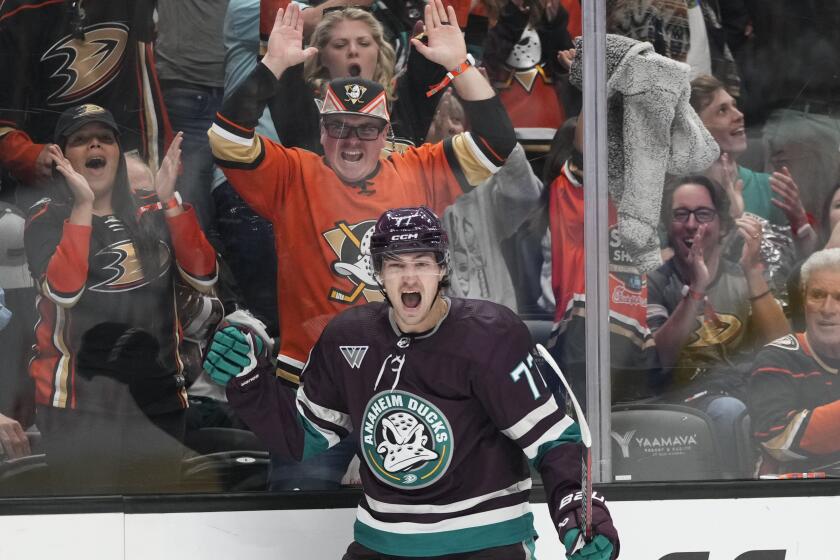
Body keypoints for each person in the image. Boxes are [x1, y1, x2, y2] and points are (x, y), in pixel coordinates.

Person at [207, 205, 620, 560]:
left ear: (442, 269)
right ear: (377, 273)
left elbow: (552, 439)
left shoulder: (492, 336)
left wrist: (575, 507)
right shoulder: (348, 337)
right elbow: (306, 438)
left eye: (421, 263)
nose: (409, 279)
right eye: (396, 265)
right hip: (384, 545)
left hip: (485, 545)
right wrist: (249, 382)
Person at [24, 104, 217, 493]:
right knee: (88, 532)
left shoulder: (152, 211)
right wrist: (82, 206)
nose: (95, 144)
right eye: (80, 139)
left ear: (117, 154)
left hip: (158, 399)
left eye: (106, 138)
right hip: (78, 408)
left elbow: (203, 275)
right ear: (62, 157)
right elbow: (65, 290)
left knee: (155, 529)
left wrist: (171, 202)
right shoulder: (45, 217)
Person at [647, 175, 790, 476]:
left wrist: (753, 273)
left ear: (723, 226)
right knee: (729, 411)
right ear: (668, 226)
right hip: (680, 402)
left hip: (744, 393)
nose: (691, 224)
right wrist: (696, 290)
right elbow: (662, 357)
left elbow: (784, 348)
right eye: (680, 214)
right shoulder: (655, 283)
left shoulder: (741, 278)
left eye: (703, 214)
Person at [0, 0, 169, 202]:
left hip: (129, 174)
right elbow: (4, 118)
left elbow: (147, 88)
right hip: (52, 186)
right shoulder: (18, 9)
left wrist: (158, 167)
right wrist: (28, 157)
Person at [689, 75, 818, 259]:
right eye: (722, 111)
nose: (739, 115)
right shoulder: (678, 193)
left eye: (734, 105)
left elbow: (808, 267)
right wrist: (731, 218)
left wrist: (801, 223)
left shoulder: (770, 187)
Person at [749, 248, 840, 476]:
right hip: (793, 495)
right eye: (818, 295)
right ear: (803, 299)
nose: (828, 309)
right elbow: (778, 440)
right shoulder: (777, 357)